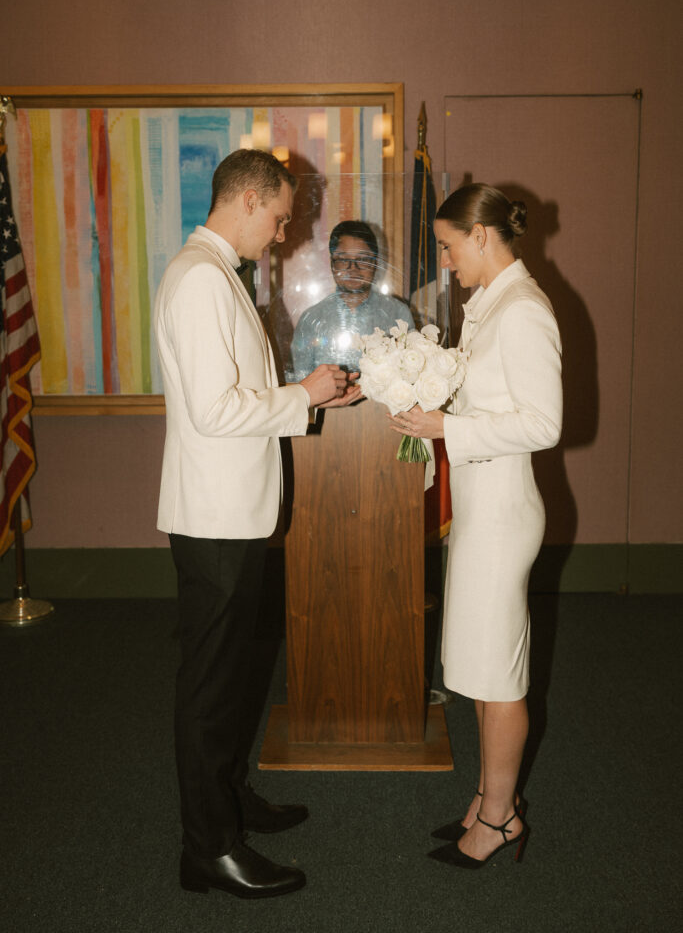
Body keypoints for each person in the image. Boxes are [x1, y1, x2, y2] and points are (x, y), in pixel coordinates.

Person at [154, 149, 361, 899]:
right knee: (210, 686)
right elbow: (214, 412)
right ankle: (208, 848)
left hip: (228, 511)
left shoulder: (212, 274)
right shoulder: (200, 279)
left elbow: (234, 393)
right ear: (246, 200)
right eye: (277, 218)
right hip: (212, 516)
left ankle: (230, 800)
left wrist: (306, 397)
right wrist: (300, 394)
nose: (279, 233)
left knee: (234, 675)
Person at [388, 183, 562, 869]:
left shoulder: (522, 310)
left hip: (502, 513)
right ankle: (491, 799)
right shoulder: (489, 304)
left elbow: (543, 425)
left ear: (483, 235)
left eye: (449, 245)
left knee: (500, 676)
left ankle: (498, 821)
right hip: (480, 506)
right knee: (485, 669)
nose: (446, 259)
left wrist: (444, 426)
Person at [289, 220, 413, 379]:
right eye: (343, 260)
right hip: (329, 405)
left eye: (362, 260)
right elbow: (301, 383)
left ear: (375, 263)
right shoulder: (311, 320)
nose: (353, 268)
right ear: (332, 265)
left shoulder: (398, 314)